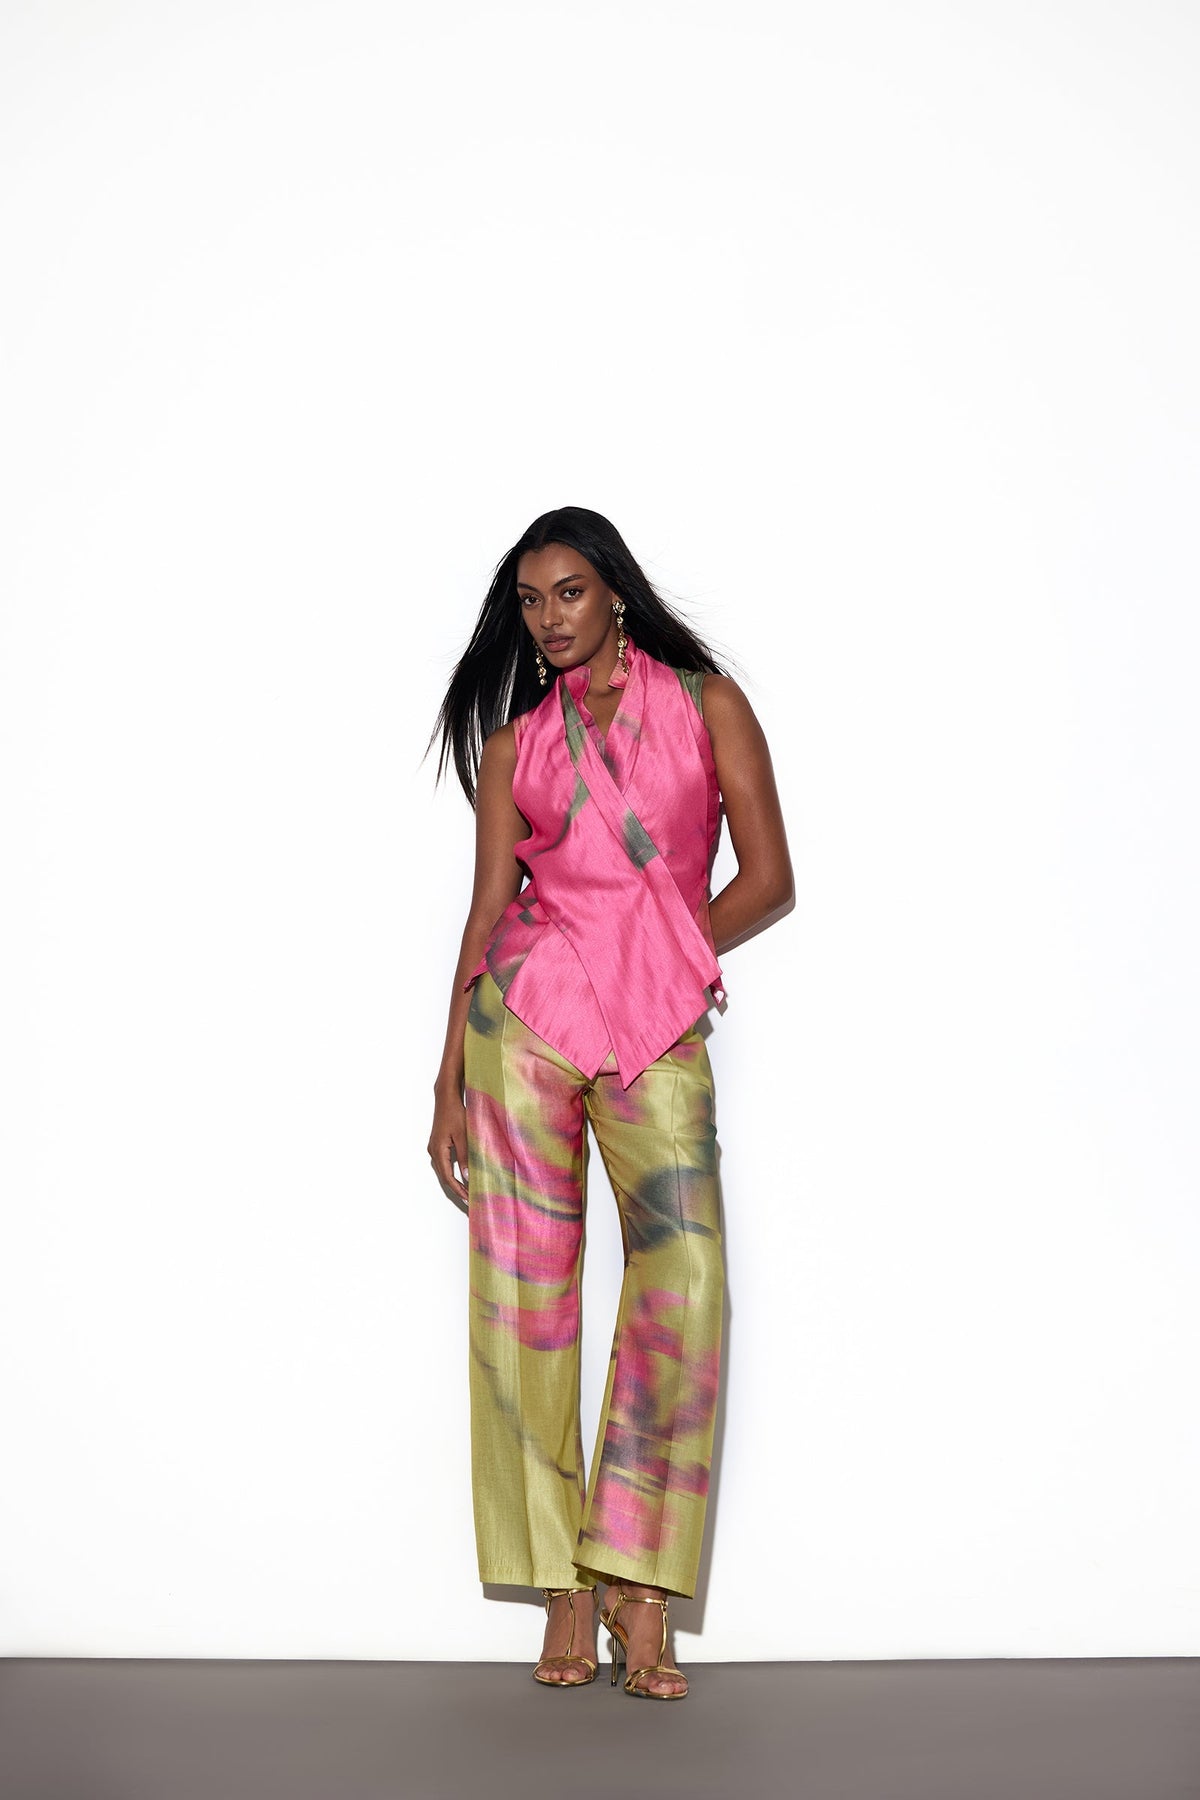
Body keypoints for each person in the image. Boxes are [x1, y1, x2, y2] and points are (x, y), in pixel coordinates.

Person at [427, 506, 792, 1700]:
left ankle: (639, 1585)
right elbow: (487, 912)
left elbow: (770, 878)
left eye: (570, 592)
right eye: (531, 601)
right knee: (522, 1301)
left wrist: (659, 961)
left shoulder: (708, 705)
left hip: (655, 1025)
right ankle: (562, 1590)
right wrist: (446, 1075)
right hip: (523, 1023)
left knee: (687, 1282)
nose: (550, 617)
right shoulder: (514, 746)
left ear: (616, 590)